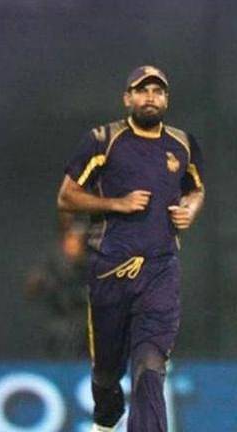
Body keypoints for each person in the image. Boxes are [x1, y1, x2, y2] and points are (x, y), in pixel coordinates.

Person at [57, 65, 205, 432]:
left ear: (166, 99)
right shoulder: (104, 140)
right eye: (142, 90)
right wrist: (116, 204)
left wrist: (189, 209)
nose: (150, 97)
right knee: (107, 371)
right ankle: (105, 422)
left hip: (160, 269)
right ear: (128, 98)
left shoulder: (182, 143)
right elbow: (67, 196)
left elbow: (196, 189)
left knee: (150, 364)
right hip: (110, 268)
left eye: (158, 91)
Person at [24, 221, 89, 358]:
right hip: (60, 327)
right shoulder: (52, 265)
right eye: (71, 239)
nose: (74, 244)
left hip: (86, 328)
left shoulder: (93, 266)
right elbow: (33, 288)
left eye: (79, 240)